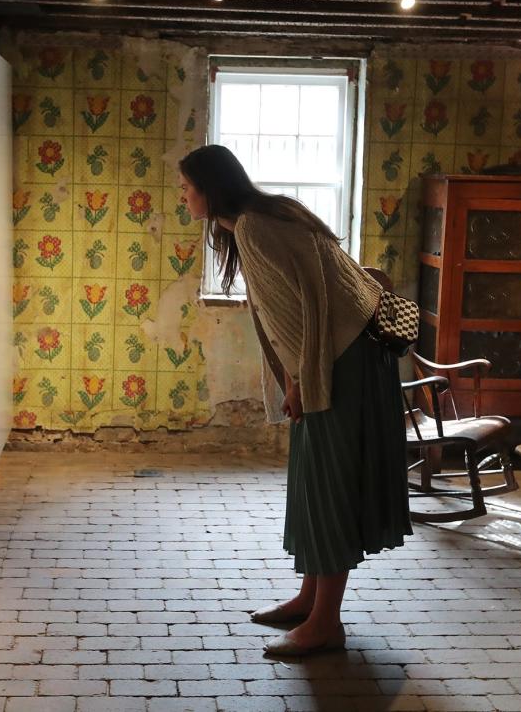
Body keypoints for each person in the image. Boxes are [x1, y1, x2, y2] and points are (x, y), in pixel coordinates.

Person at [178, 144, 411, 657]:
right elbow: (300, 302)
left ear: (210, 188)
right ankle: (310, 599)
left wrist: (304, 379)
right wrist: (294, 377)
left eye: (188, 186)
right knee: (313, 480)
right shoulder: (252, 221)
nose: (183, 195)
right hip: (339, 359)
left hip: (340, 363)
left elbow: (309, 307)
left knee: (330, 486)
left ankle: (326, 621)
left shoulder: (256, 226)